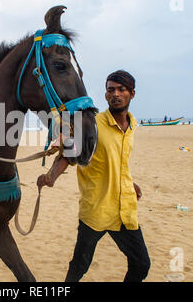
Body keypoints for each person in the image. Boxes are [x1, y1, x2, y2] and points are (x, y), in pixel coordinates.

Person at [37, 70, 150, 282]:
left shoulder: (132, 125)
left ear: (132, 94)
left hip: (124, 208)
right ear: (106, 95)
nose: (115, 94)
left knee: (141, 264)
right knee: (80, 265)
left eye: (121, 89)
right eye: (110, 90)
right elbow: (69, 155)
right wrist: (51, 177)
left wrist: (128, 182)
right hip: (96, 209)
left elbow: (118, 159)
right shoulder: (92, 124)